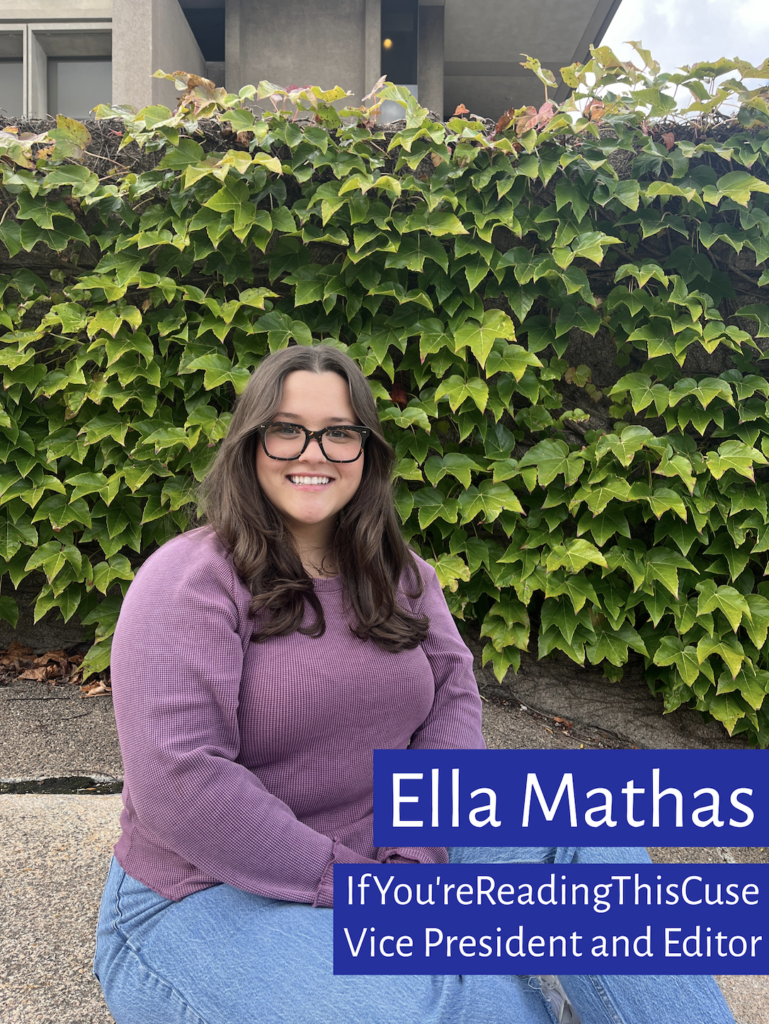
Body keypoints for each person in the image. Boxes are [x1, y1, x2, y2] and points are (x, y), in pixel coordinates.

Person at [93, 344, 736, 1024]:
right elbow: (180, 784)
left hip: (393, 856)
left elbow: (452, 704)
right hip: (203, 893)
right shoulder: (188, 581)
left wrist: (416, 855)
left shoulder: (399, 575)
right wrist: (366, 890)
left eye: (338, 432)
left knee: (589, 844)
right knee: (451, 1007)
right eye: (287, 429)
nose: (313, 452)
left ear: (365, 451)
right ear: (250, 443)